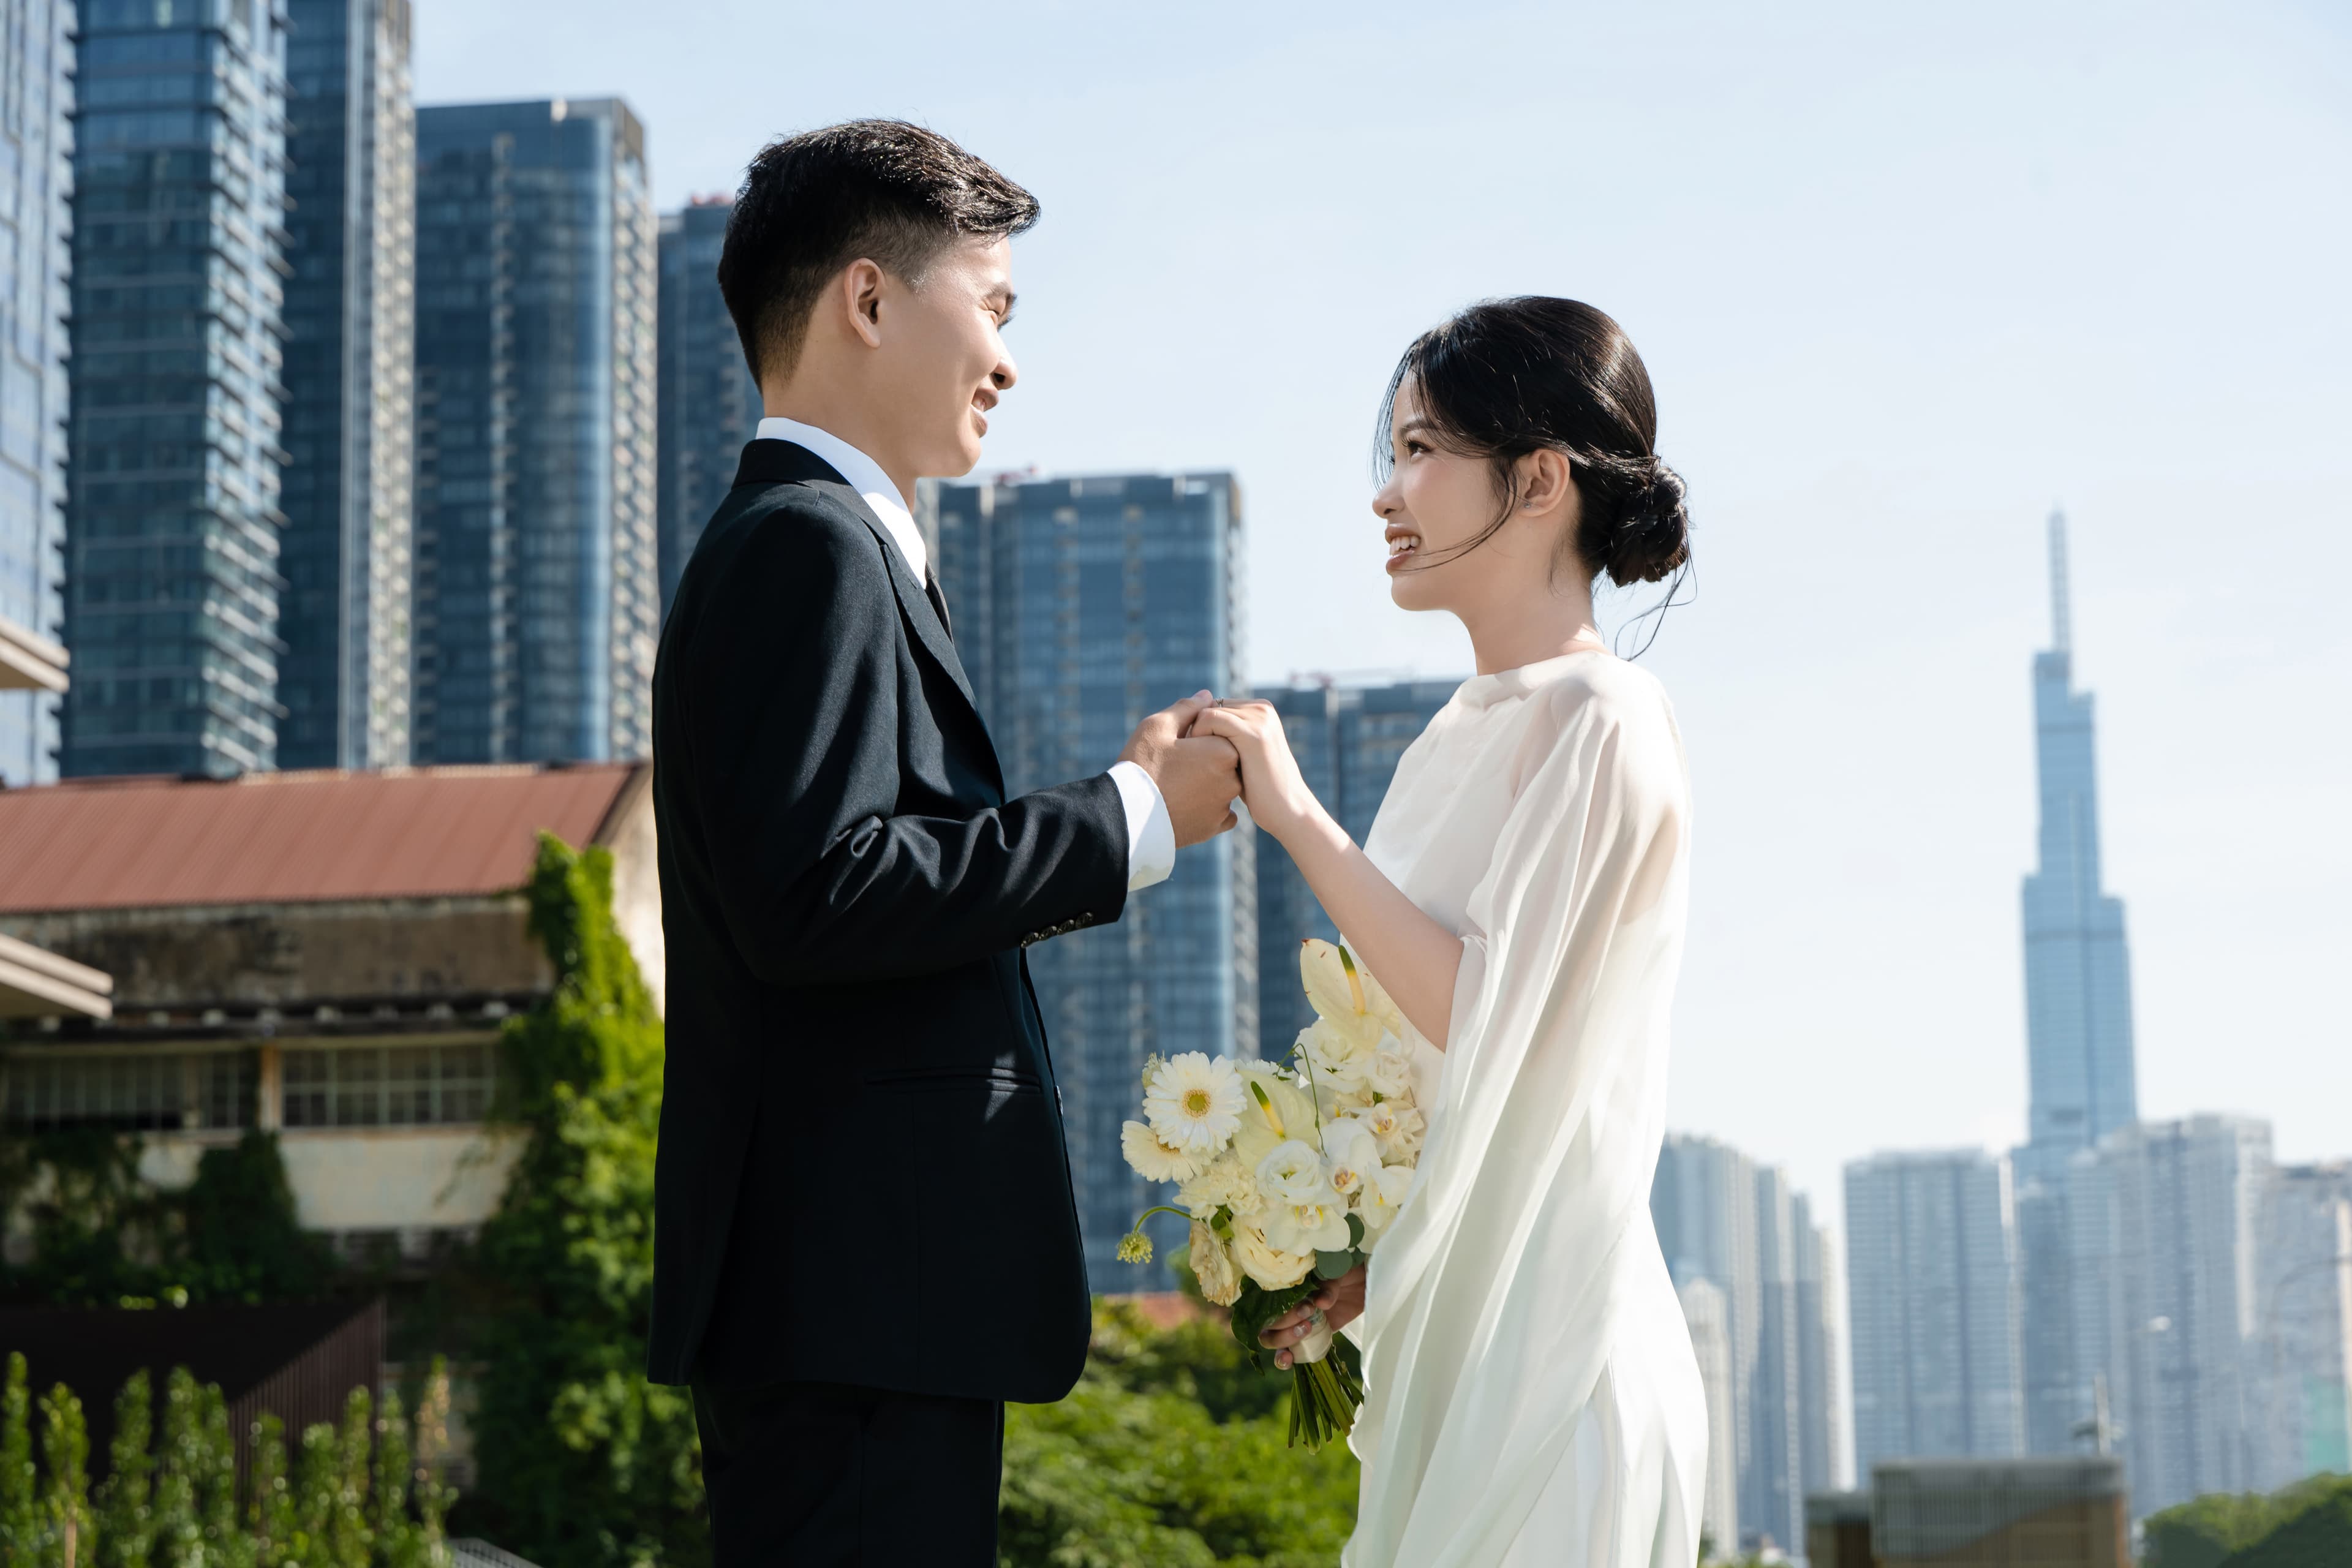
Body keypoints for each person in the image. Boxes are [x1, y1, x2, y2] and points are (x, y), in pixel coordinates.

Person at [644, 121, 1243, 1566]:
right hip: (854, 1316)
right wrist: (1128, 818)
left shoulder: (825, 544)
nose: (1010, 360)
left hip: (856, 1312)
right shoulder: (809, 545)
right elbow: (822, 888)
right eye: (995, 306)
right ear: (868, 299)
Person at [1193, 298, 1708, 1567]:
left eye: (1423, 449)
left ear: (1538, 480)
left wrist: (1296, 812)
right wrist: (1380, 1250)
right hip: (1475, 1326)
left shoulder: (1603, 713)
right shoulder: (1467, 727)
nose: (1389, 490)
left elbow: (1493, 1022)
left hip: (1560, 1363)